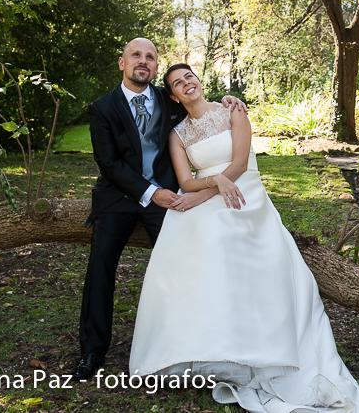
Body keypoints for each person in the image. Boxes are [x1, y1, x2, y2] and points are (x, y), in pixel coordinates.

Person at [128, 63, 359, 412]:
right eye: (177, 83)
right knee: (187, 236)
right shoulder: (178, 134)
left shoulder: (232, 111)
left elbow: (240, 164)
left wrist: (211, 189)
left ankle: (258, 345)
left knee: (226, 238)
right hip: (216, 190)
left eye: (190, 77)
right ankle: (200, 341)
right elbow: (185, 182)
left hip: (246, 193)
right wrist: (213, 184)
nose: (187, 84)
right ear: (173, 95)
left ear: (198, 80)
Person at [73, 39, 245, 381]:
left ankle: (190, 341)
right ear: (122, 63)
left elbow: (200, 109)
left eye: (150, 57)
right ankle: (92, 351)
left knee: (182, 261)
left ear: (155, 67)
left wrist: (227, 100)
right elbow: (108, 164)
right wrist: (152, 193)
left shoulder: (170, 103)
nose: (143, 61)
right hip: (119, 198)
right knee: (100, 266)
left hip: (169, 194)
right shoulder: (103, 108)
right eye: (136, 55)